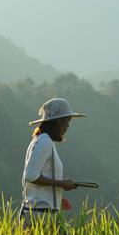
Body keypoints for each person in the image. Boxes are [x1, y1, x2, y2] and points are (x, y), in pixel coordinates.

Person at [19, 98, 86, 228]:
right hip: (39, 216)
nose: (68, 126)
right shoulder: (45, 142)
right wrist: (61, 183)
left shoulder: (41, 140)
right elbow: (31, 176)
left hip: (41, 214)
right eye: (67, 121)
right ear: (58, 121)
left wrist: (57, 196)